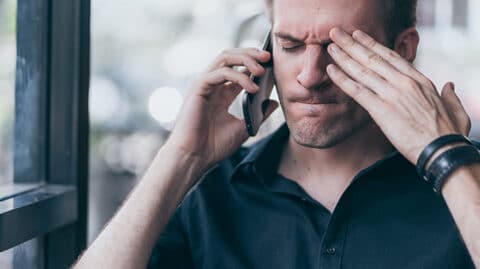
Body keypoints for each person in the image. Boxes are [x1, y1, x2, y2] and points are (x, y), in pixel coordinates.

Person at [74, 0, 480, 268]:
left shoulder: (467, 182)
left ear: (403, 49)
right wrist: (180, 157)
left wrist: (445, 159)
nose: (309, 76)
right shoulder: (211, 195)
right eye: (290, 45)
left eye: (341, 49)